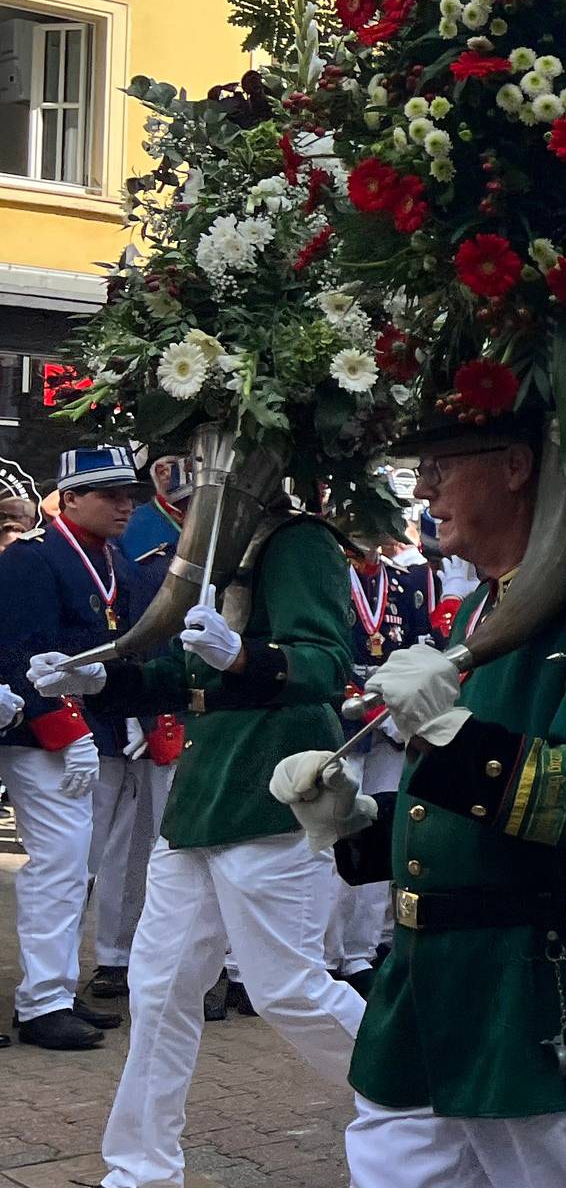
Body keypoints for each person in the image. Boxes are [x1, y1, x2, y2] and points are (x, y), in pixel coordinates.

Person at [264, 420, 566, 1183]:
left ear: (514, 466)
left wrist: (453, 737)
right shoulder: (483, 609)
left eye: (438, 465)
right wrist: (364, 824)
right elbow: (464, 810)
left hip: (553, 994)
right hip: (436, 988)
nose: (422, 488)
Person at [46, 470, 369, 1185]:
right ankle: (140, 1169)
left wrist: (247, 655)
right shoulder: (212, 554)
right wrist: (100, 680)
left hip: (270, 790)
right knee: (159, 992)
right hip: (202, 800)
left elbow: (325, 664)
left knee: (287, 986)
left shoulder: (297, 542)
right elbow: (186, 679)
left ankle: (425, 1098)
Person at [0, 447, 152, 1050]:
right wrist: (67, 731)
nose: (126, 505)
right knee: (61, 863)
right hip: (33, 729)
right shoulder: (34, 561)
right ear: (67, 498)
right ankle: (42, 1000)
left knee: (67, 866)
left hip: (83, 729)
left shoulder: (114, 560)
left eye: (130, 494)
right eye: (110, 494)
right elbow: (21, 654)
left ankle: (49, 997)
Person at [326, 534, 437, 986]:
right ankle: (327, 953)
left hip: (392, 727)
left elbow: (420, 652)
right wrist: (376, 710)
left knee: (382, 833)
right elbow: (325, 654)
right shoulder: (330, 578)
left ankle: (361, 952)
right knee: (337, 837)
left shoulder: (404, 581)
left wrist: (404, 711)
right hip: (347, 724)